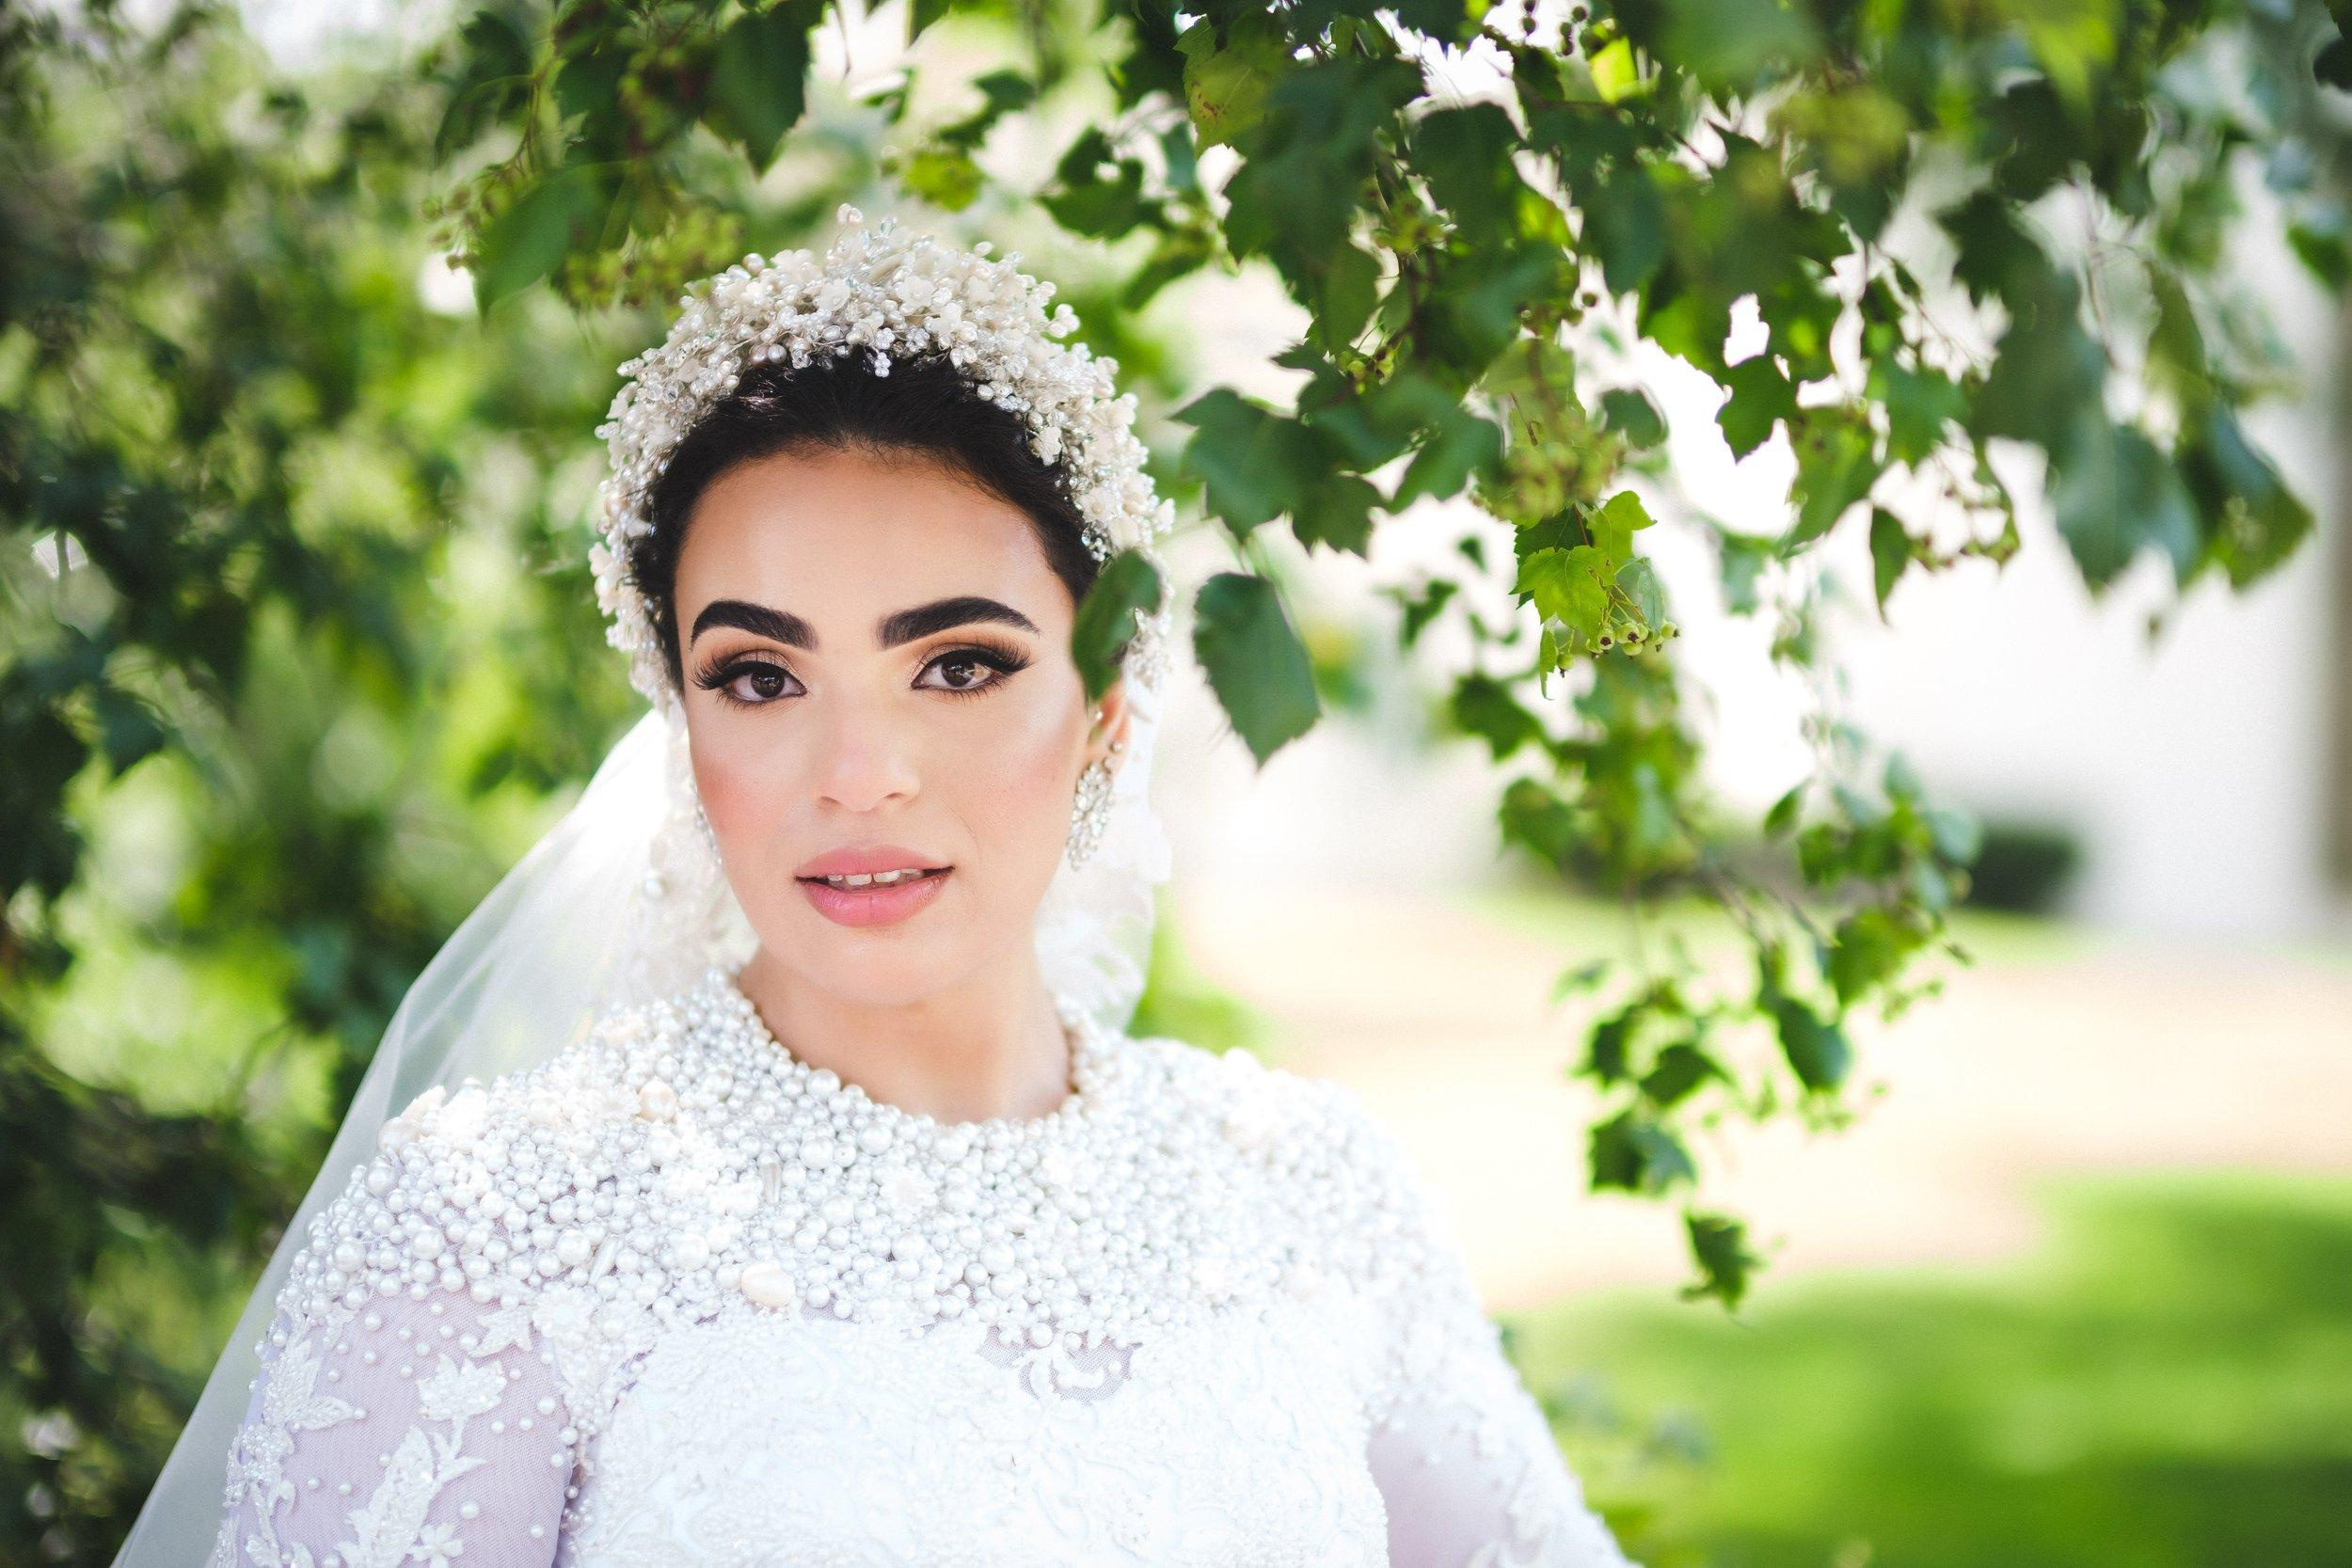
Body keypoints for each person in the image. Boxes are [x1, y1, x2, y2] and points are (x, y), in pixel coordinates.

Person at [113, 206, 1641, 1567]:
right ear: (682, 720)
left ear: (1106, 709)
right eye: (762, 676)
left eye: (958, 663)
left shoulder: (1305, 1192)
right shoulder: (496, 1230)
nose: (857, 772)